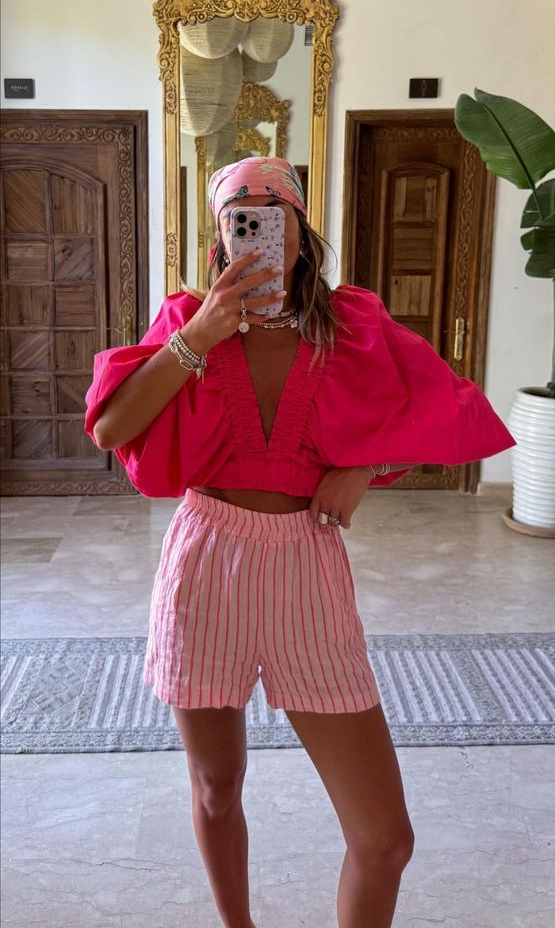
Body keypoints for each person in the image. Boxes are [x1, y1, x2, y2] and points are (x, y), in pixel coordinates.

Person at [84, 156, 516, 928]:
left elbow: (453, 406)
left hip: (307, 565)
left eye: (271, 208)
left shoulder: (351, 323)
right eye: (238, 213)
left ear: (299, 226)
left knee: (384, 839)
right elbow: (112, 428)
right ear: (219, 235)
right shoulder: (188, 317)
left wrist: (367, 467)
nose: (256, 224)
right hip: (206, 565)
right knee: (216, 786)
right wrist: (200, 335)